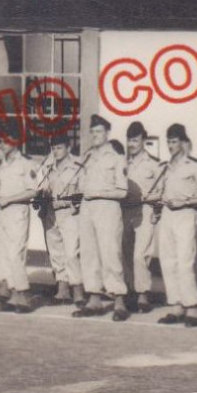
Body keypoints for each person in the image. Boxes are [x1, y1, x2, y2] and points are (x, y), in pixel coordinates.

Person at [150, 123, 197, 328]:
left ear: (183, 143)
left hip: (186, 214)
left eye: (174, 142)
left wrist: (186, 202)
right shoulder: (166, 167)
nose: (171, 146)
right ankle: (176, 306)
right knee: (168, 261)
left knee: (185, 262)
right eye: (169, 142)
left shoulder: (193, 165)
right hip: (167, 215)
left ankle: (192, 308)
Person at [76, 114, 131, 320]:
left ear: (107, 133)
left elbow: (122, 191)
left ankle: (119, 302)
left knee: (110, 254)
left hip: (107, 209)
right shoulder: (88, 156)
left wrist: (98, 193)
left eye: (99, 131)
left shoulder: (116, 158)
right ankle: (94, 299)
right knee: (90, 255)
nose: (95, 135)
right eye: (92, 132)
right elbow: (81, 183)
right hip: (87, 208)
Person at [35, 137, 85, 310]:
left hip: (70, 213)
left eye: (59, 147)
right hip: (51, 212)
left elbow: (83, 191)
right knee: (56, 252)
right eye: (53, 148)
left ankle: (77, 290)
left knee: (72, 253)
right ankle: (62, 290)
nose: (56, 151)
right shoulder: (48, 168)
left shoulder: (77, 167)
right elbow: (42, 188)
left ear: (68, 147)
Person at [0, 139, 40, 313]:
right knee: (4, 254)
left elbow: (34, 190)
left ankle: (24, 295)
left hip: (18, 211)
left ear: (15, 142)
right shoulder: (1, 163)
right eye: (0, 141)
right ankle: (13, 294)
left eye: (5, 141)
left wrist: (10, 199)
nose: (1, 144)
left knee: (15, 253)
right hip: (2, 212)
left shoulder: (26, 163)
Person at [123, 121, 163, 314]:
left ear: (143, 140)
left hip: (145, 210)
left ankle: (143, 294)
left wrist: (150, 200)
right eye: (129, 140)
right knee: (126, 253)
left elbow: (162, 191)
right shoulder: (123, 164)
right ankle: (130, 290)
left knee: (141, 254)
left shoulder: (154, 164)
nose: (132, 144)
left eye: (136, 140)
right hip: (126, 211)